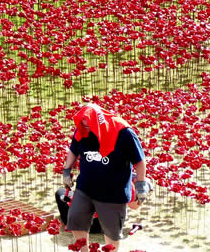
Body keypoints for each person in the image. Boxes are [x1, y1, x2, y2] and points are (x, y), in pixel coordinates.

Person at [61, 103, 150, 250]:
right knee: (75, 219)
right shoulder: (82, 129)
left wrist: (141, 185)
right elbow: (73, 150)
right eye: (83, 125)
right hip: (86, 187)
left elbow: (139, 160)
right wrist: (66, 170)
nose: (86, 129)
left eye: (89, 126)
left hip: (113, 193)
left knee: (111, 232)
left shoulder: (123, 132)